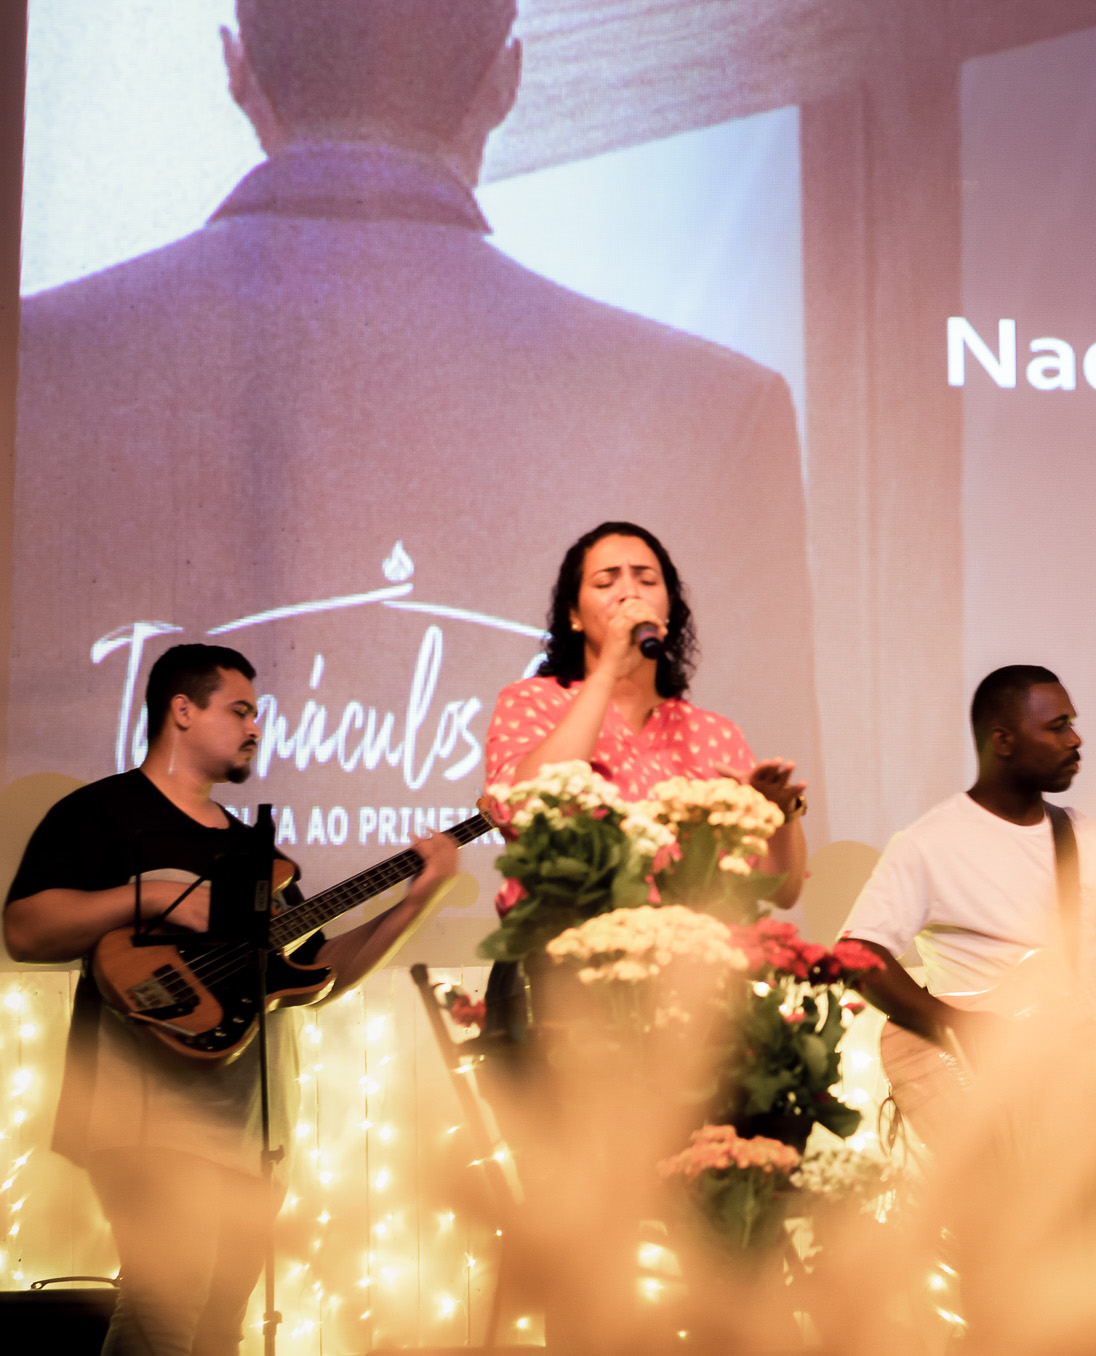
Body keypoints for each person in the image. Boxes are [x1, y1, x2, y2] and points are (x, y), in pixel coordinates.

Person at [14, 0, 822, 841]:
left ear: (236, 69)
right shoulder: (712, 409)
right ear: (506, 81)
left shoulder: (32, 364)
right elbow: (772, 869)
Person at [1, 644, 459, 1356]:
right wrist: (151, 896)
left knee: (219, 1329)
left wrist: (414, 903)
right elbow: (26, 930)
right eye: (240, 710)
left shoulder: (255, 855)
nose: (255, 728)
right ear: (182, 710)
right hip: (144, 1117)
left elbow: (316, 974)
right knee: (163, 1312)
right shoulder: (99, 814)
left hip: (248, 1128)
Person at [838, 665, 1096, 1088]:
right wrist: (957, 1027)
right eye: (1058, 726)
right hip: (981, 1096)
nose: (1075, 739)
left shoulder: (1091, 841)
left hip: (1086, 1086)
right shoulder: (929, 843)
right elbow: (855, 952)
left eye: (1072, 724)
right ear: (1003, 741)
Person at [484, 522, 810, 907]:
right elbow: (523, 809)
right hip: (565, 939)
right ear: (574, 615)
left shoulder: (713, 733)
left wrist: (779, 816)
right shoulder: (532, 701)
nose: (630, 593)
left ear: (668, 608)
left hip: (691, 943)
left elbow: (782, 892)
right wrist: (608, 670)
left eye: (647, 580)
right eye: (606, 582)